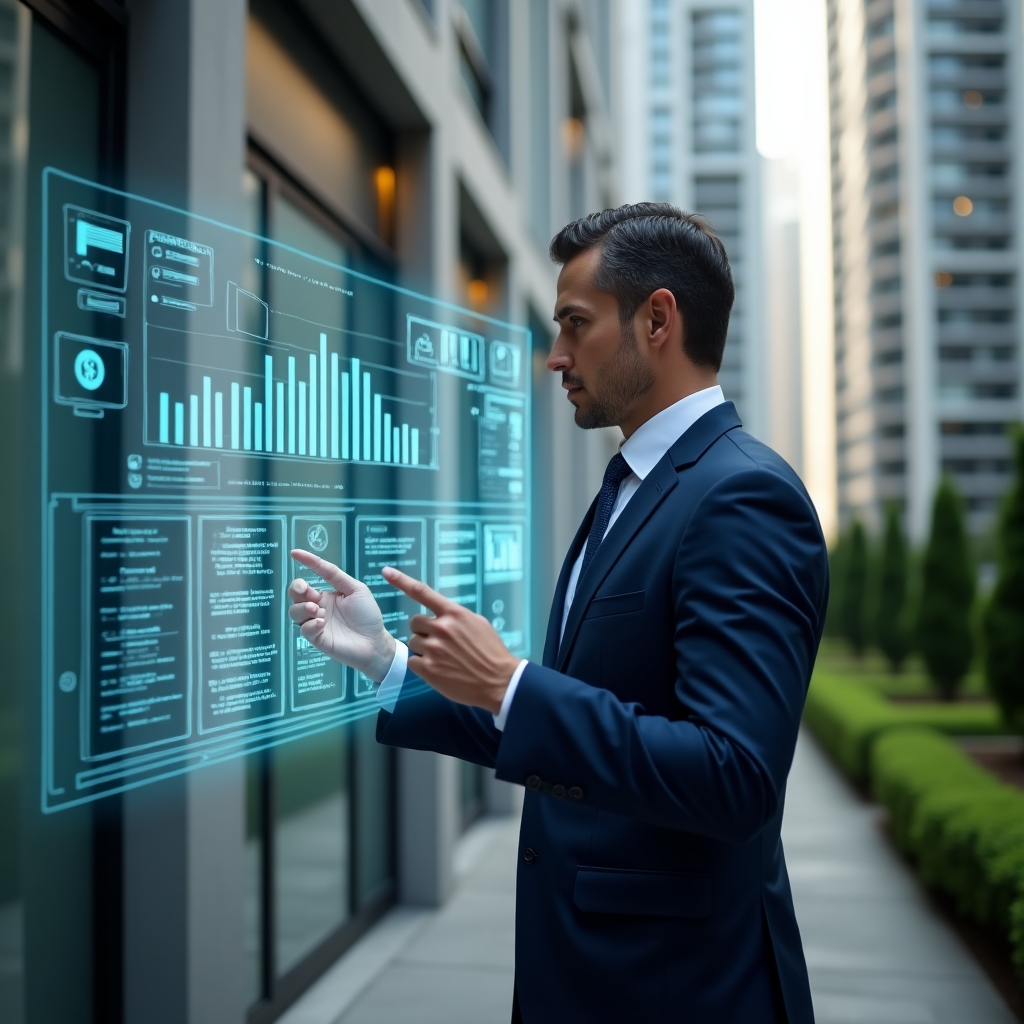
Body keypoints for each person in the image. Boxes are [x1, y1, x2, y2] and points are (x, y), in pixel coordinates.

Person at [288, 203, 828, 1024]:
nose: (556, 357)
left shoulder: (740, 496)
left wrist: (509, 683)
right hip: (593, 974)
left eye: (575, 324)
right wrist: (388, 662)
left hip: (678, 989)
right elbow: (571, 721)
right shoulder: (635, 488)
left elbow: (736, 775)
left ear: (657, 319)